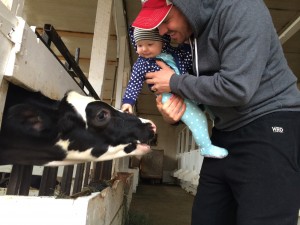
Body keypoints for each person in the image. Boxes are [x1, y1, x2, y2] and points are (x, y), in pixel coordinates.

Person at [132, 0, 300, 225]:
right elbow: (196, 97)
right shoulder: (187, 37)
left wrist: (174, 82)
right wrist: (171, 115)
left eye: (166, 20)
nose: (161, 31)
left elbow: (237, 88)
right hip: (224, 132)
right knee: (206, 218)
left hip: (268, 124)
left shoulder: (242, 8)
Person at [122, 27, 228, 158]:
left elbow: (188, 58)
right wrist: (128, 101)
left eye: (150, 44)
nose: (144, 49)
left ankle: (222, 124)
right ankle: (205, 147)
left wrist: (188, 46)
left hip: (187, 88)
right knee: (198, 118)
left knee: (211, 104)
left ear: (162, 42)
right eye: (139, 45)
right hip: (170, 97)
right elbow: (134, 82)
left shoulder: (174, 53)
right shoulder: (142, 63)